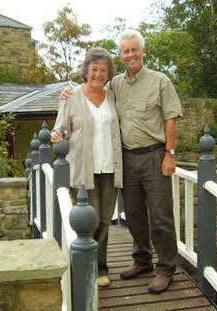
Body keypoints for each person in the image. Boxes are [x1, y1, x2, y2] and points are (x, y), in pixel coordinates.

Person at [60, 29, 182, 294]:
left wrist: (169, 153)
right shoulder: (115, 85)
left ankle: (166, 268)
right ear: (121, 55)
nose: (130, 55)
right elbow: (88, 90)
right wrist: (67, 92)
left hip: (154, 155)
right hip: (126, 159)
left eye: (134, 49)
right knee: (134, 214)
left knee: (160, 215)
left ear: (143, 51)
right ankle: (142, 260)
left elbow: (170, 118)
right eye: (125, 51)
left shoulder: (160, 80)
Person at [51, 47, 123, 288]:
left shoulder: (112, 96)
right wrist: (55, 135)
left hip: (110, 168)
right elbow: (59, 128)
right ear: (86, 71)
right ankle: (84, 266)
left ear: (108, 73)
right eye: (94, 69)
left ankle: (101, 267)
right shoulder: (71, 96)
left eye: (103, 70)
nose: (99, 74)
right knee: (89, 220)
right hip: (84, 169)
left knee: (105, 220)